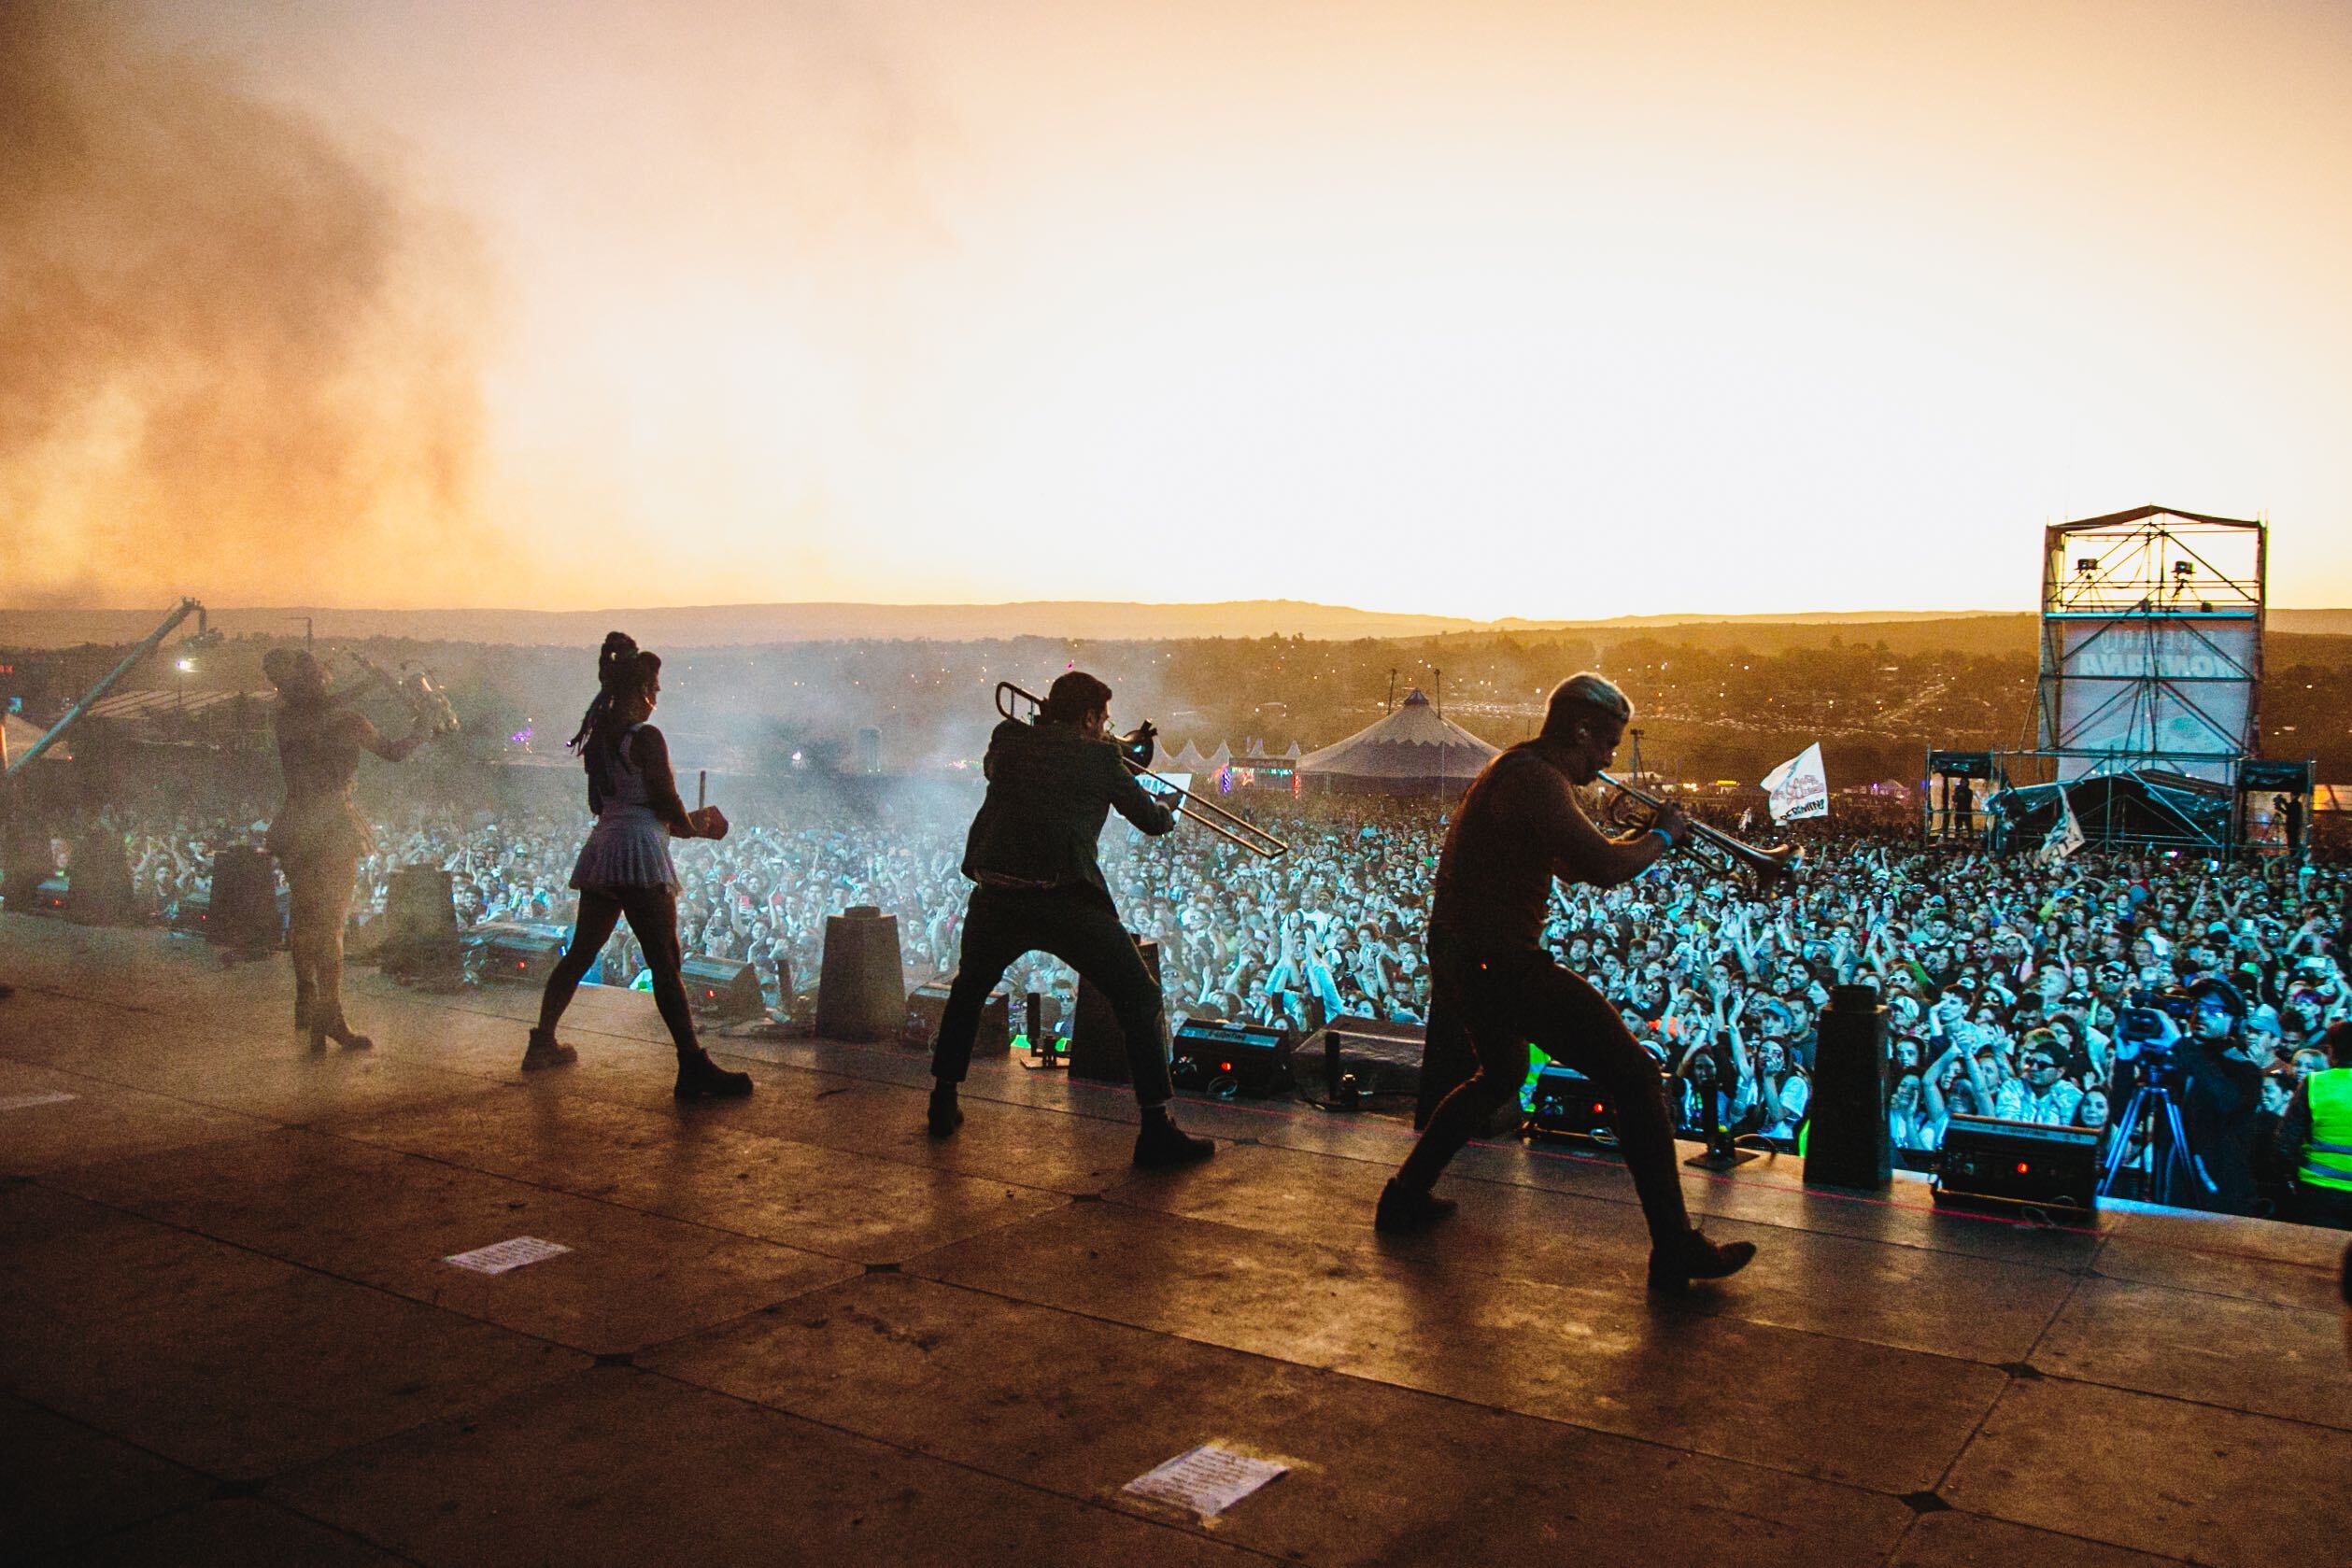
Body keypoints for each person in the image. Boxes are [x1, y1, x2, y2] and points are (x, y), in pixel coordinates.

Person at [1376, 672, 1756, 1294]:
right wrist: (1662, 835)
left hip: (1468, 954)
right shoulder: (1534, 780)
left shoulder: (1519, 771)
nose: (1609, 759)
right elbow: (1604, 868)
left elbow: (1575, 869)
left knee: (1499, 1075)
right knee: (1634, 1075)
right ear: (1579, 731)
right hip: (1498, 960)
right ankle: (1674, 1246)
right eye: (1605, 742)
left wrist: (1644, 836)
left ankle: (1404, 1196)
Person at [926, 670, 1213, 1169]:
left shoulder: (1009, 740)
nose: (1106, 729)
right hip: (1064, 900)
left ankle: (942, 1099)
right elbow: (1149, 821)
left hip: (996, 896)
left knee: (968, 991)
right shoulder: (1098, 757)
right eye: (1102, 719)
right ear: (1088, 718)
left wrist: (1101, 749)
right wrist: (1168, 805)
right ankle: (1155, 1128)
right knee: (1140, 996)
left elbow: (1030, 760)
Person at [524, 633, 751, 1099]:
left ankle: (541, 1042)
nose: (658, 697)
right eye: (655, 686)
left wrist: (644, 817)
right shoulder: (646, 738)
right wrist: (702, 824)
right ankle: (692, 1067)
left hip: (605, 847)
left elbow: (598, 804)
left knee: (582, 951)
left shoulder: (601, 739)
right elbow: (669, 806)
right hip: (639, 854)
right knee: (665, 962)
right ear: (640, 687)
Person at [262, 646, 434, 1051]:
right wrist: (424, 724)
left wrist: (367, 682)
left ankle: (306, 998)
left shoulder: (286, 715)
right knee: (331, 928)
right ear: (322, 680)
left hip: (295, 821)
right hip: (331, 826)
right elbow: (395, 751)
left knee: (304, 919)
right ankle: (331, 1017)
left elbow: (321, 704)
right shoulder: (345, 721)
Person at [2276, 1022, 2352, 1229]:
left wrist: (2292, 1178)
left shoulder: (2315, 1083)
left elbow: (2285, 1142)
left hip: (2317, 1191)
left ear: (2331, 1051)